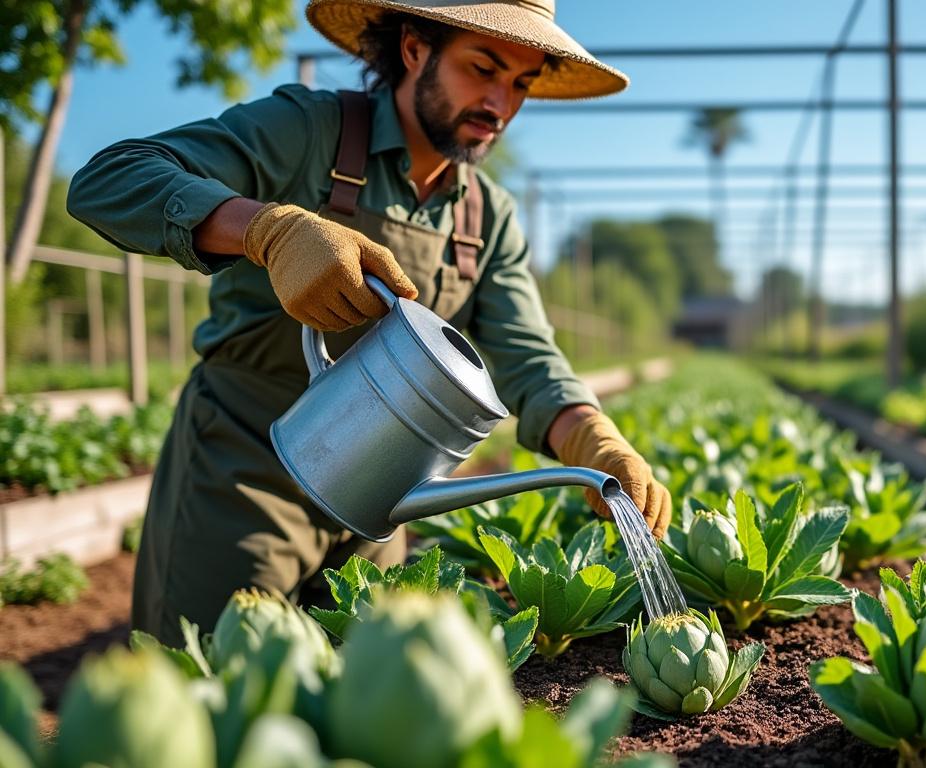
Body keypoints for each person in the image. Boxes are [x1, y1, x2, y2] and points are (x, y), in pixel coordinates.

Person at [66, 0, 672, 646]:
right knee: (217, 675)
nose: (501, 104)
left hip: (382, 496)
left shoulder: (485, 217)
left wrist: (594, 441)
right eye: (482, 68)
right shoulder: (309, 131)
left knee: (365, 691)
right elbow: (108, 180)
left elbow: (528, 357)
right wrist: (269, 230)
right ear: (414, 49)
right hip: (244, 472)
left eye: (521, 84)